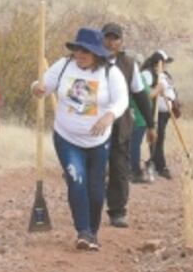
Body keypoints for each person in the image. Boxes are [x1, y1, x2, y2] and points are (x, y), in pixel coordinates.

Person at [32, 28, 128, 250]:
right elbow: (43, 86)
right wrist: (37, 89)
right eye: (77, 49)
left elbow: (121, 99)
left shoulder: (110, 73)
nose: (81, 54)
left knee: (95, 190)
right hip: (67, 137)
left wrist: (109, 115)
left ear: (97, 53)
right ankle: (83, 232)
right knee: (76, 181)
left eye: (86, 51)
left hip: (98, 141)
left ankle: (92, 232)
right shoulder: (64, 66)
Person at [100, 23, 156, 228]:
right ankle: (91, 207)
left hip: (120, 124)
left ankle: (117, 211)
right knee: (94, 167)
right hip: (93, 123)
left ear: (121, 42)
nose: (111, 42)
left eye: (115, 38)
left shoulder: (128, 64)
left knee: (119, 167)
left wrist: (151, 125)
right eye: (107, 37)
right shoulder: (91, 59)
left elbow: (141, 96)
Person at [142, 50, 177, 180]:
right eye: (164, 62)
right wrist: (158, 89)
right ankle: (159, 166)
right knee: (157, 137)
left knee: (160, 137)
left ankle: (155, 162)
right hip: (155, 111)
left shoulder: (164, 74)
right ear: (158, 62)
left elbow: (171, 90)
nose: (166, 64)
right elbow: (146, 92)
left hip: (165, 111)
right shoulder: (149, 74)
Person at [129, 54, 150, 184]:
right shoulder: (139, 78)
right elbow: (147, 95)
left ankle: (134, 171)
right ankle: (134, 171)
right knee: (134, 145)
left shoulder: (136, 78)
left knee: (133, 145)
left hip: (137, 117)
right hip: (138, 117)